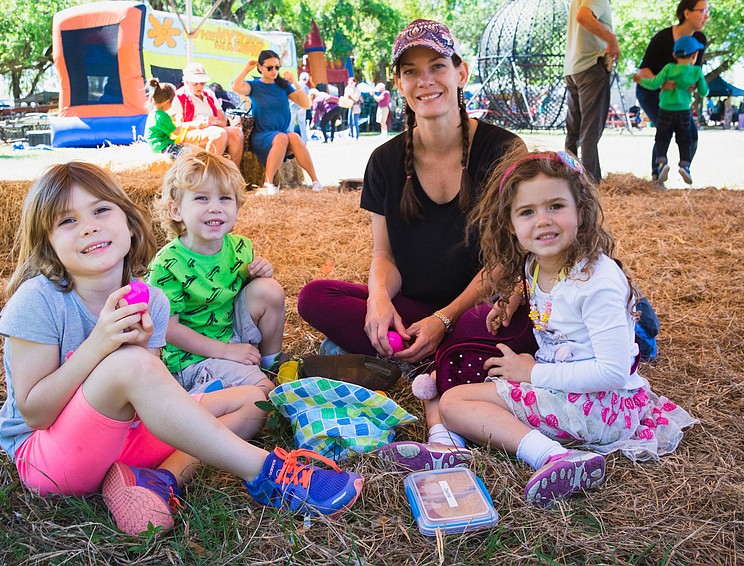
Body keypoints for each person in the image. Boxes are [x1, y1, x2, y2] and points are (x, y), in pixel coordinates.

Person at [0, 161, 364, 536]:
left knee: (255, 401)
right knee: (131, 365)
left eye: (101, 209)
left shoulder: (150, 299)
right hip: (53, 459)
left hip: (123, 440)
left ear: (128, 222)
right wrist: (99, 347)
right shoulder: (38, 301)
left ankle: (158, 478)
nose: (89, 226)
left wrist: (139, 363)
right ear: (49, 245)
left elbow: (144, 405)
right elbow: (36, 413)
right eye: (67, 221)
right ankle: (266, 472)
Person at [297, 19, 530, 465]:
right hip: (415, 311)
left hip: (478, 310)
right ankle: (431, 360)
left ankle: (410, 360)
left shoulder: (503, 149)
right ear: (399, 83)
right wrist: (379, 300)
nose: (425, 81)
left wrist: (445, 318)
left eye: (436, 66)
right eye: (410, 71)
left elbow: (508, 259)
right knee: (314, 297)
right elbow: (384, 255)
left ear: (460, 74)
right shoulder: (385, 159)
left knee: (499, 327)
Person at [435, 150, 698, 506]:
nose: (542, 220)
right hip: (571, 389)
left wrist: (531, 373)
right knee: (460, 385)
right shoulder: (535, 264)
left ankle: (552, 457)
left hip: (600, 405)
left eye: (555, 206)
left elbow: (612, 371)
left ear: (581, 211)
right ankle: (446, 445)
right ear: (510, 225)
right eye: (527, 212)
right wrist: (512, 297)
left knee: (453, 403)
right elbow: (548, 295)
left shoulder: (598, 280)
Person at [147, 149, 286, 395]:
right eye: (202, 198)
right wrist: (225, 352)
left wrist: (259, 275)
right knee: (264, 393)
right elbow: (168, 329)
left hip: (230, 335)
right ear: (176, 210)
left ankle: (272, 365)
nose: (215, 208)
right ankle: (199, 395)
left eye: (225, 198)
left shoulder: (241, 247)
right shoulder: (167, 264)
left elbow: (246, 296)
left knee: (270, 290)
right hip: (192, 358)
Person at [635, 0, 709, 184]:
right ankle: (657, 177)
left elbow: (694, 73)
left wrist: (691, 86)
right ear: (687, 13)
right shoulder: (662, 39)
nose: (707, 15)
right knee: (664, 130)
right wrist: (662, 85)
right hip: (651, 91)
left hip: (677, 97)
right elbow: (642, 71)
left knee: (691, 134)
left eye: (708, 11)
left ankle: (684, 166)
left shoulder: (700, 40)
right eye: (703, 11)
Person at [232, 50, 323, 195]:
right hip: (262, 135)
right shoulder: (254, 86)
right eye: (270, 67)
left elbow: (306, 104)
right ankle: (268, 184)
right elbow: (236, 87)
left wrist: (294, 83)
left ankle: (315, 181)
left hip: (281, 134)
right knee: (283, 137)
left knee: (294, 136)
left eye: (277, 67)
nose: (274, 71)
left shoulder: (283, 86)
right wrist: (246, 69)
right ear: (260, 67)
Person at [563, 0, 619, 184]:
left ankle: (567, 176)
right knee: (590, 130)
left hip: (572, 68)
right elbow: (583, 16)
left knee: (574, 130)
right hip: (590, 67)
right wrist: (611, 39)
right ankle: (591, 182)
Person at [169, 62, 244, 166]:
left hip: (212, 130)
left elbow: (223, 121)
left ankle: (234, 175)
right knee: (219, 134)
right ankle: (210, 175)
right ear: (186, 82)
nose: (199, 87)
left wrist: (214, 122)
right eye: (195, 83)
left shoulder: (209, 94)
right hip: (189, 133)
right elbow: (174, 128)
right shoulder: (178, 97)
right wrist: (197, 124)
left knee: (237, 133)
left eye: (202, 83)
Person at [144, 79, 186, 157]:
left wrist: (170, 118)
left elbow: (160, 124)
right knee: (188, 153)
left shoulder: (153, 113)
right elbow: (176, 132)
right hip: (162, 147)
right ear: (167, 102)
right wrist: (179, 121)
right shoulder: (163, 117)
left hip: (153, 145)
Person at [288, 72, 311, 144]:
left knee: (291, 124)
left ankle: (290, 140)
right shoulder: (306, 88)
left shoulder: (293, 85)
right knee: (302, 124)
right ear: (307, 79)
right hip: (302, 108)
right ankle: (304, 140)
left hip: (292, 107)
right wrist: (302, 108)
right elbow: (307, 99)